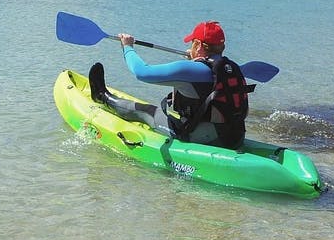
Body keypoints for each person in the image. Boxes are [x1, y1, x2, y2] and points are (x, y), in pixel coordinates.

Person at [88, 20, 252, 149]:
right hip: (235, 137)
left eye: (192, 43)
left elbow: (141, 72)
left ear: (198, 45)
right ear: (221, 47)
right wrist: (195, 60)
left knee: (149, 112)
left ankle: (102, 96)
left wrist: (127, 47)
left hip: (204, 139)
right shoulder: (230, 68)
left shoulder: (188, 69)